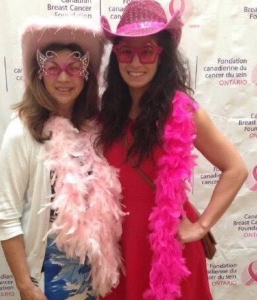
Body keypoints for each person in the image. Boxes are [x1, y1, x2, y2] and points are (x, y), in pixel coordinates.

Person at [97, 1, 248, 299]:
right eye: (127, 51)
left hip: (168, 247)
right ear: (116, 57)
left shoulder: (183, 111)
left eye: (147, 51)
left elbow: (237, 169)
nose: (136, 62)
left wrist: (201, 226)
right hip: (120, 247)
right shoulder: (105, 114)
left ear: (162, 55)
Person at [0, 16, 125, 300]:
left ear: (86, 74)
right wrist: (25, 286)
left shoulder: (96, 129)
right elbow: (7, 218)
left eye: (74, 68)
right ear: (39, 73)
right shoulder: (22, 132)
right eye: (52, 68)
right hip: (48, 280)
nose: (64, 78)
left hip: (98, 277)